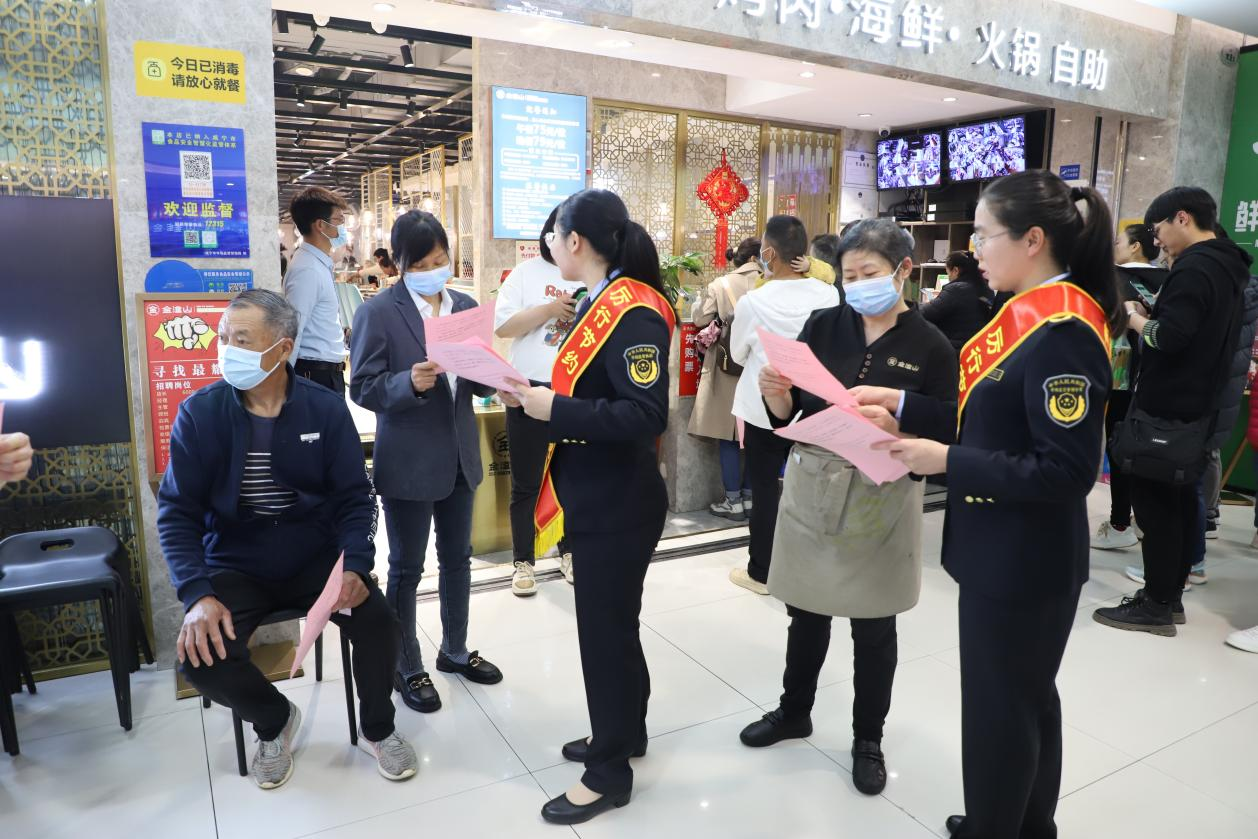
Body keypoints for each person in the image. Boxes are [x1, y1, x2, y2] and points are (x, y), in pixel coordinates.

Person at [874, 171, 1119, 838]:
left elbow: (1065, 469)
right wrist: (903, 407)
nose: (974, 248)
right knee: (1024, 700)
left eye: (984, 235)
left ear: (1033, 239)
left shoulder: (1063, 328)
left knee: (1001, 709)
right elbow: (992, 416)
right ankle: (1022, 823)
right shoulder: (1027, 314)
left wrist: (944, 459)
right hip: (1006, 554)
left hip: (1024, 561)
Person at [157, 289, 416, 790]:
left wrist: (357, 566)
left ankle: (378, 728)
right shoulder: (200, 414)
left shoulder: (323, 409)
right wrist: (198, 594)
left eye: (242, 339)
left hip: (313, 558)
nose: (226, 348)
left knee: (381, 622)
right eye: (222, 337)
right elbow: (177, 513)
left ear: (282, 348)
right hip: (236, 563)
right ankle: (275, 721)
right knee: (199, 658)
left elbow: (356, 499)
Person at [739, 218, 957, 798]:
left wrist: (901, 418)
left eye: (870, 274)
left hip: (880, 494)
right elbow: (798, 412)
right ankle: (794, 711)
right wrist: (778, 397)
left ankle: (868, 740)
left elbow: (949, 422)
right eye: (849, 275)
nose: (858, 286)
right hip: (815, 482)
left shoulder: (931, 345)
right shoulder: (823, 324)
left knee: (872, 623)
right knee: (806, 610)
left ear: (905, 272)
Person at [499, 189, 674, 825]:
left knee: (603, 636)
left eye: (555, 236)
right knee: (615, 628)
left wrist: (555, 410)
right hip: (599, 492)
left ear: (575, 242)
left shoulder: (633, 312)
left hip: (619, 501)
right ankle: (626, 733)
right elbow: (599, 392)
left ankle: (608, 773)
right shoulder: (602, 301)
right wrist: (541, 396)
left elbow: (643, 414)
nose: (550, 246)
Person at [350, 210, 503, 715]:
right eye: (424, 263)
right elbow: (363, 386)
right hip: (409, 461)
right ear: (400, 264)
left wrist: (494, 377)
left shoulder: (462, 305)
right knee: (407, 568)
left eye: (442, 259)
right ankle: (405, 664)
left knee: (458, 561)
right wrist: (406, 383)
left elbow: (475, 378)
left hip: (460, 454)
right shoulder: (380, 312)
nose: (437, 269)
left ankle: (454, 651)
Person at [1094, 187, 1253, 636]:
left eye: (1158, 228)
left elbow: (1171, 338)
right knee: (1180, 502)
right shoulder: (1226, 266)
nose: (1157, 239)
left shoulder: (1195, 269)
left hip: (1171, 405)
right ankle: (1169, 597)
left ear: (1181, 218)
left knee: (1156, 504)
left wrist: (1134, 318)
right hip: (1200, 402)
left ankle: (1157, 605)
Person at [728, 216, 840, 595]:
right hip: (814, 407)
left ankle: (762, 571)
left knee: (764, 491)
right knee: (812, 489)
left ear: (769, 253)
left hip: (764, 408)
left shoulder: (753, 301)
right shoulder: (829, 295)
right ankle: (810, 565)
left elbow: (739, 354)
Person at [494, 206, 584, 596]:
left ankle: (569, 551)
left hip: (571, 390)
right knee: (526, 481)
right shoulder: (524, 273)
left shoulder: (584, 276)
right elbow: (503, 326)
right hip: (527, 388)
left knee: (572, 478)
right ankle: (523, 560)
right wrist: (548, 310)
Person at [1091, 224, 1168, 551]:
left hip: (1119, 377)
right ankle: (1142, 520)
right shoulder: (1168, 280)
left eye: (1120, 241)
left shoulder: (1113, 279)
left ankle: (1121, 519)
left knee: (1119, 447)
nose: (1116, 247)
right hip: (1157, 378)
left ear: (1136, 247)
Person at [688, 237, 760, 521]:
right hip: (761, 366)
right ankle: (751, 496)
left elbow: (698, 319)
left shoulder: (721, 284)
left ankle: (733, 501)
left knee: (729, 435)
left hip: (728, 366)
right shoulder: (772, 282)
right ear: (759, 256)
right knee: (756, 432)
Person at [283, 187, 350, 395]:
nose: (342, 228)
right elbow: (294, 329)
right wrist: (285, 386)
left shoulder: (318, 263)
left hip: (326, 374)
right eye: (339, 221)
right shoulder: (307, 269)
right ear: (321, 225)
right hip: (315, 376)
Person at [920, 251, 995, 350]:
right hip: (977, 350)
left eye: (947, 273)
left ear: (955, 270)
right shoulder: (987, 289)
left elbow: (925, 313)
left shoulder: (957, 289)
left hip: (954, 351)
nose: (949, 277)